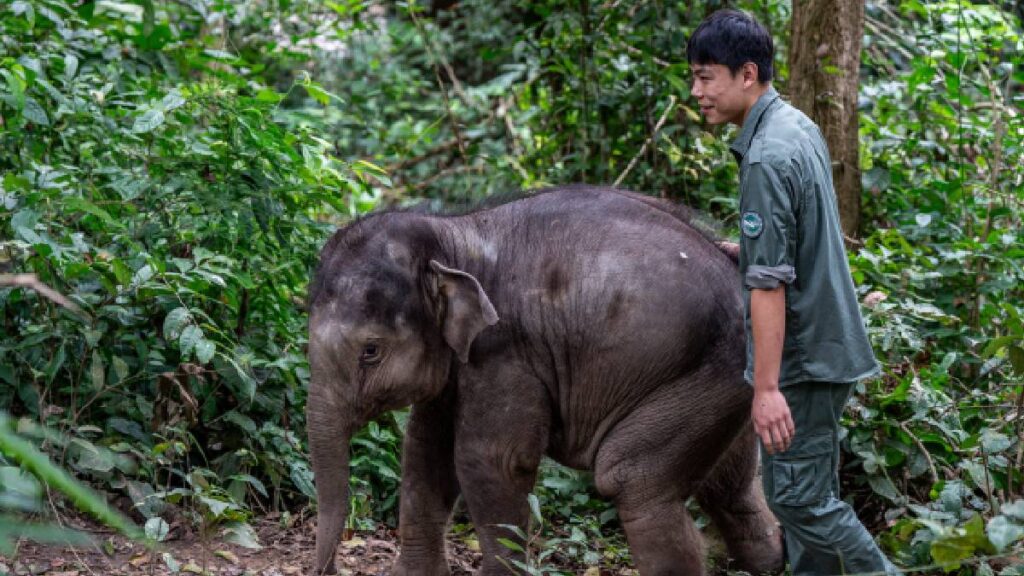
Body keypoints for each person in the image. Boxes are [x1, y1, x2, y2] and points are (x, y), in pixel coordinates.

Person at [687, 9, 898, 576]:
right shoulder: (795, 125)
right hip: (831, 346)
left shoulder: (766, 156)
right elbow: (790, 244)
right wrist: (751, 250)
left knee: (799, 500)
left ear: (746, 72)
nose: (697, 91)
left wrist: (767, 388)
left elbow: (769, 286)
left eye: (706, 77)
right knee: (812, 498)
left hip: (804, 361)